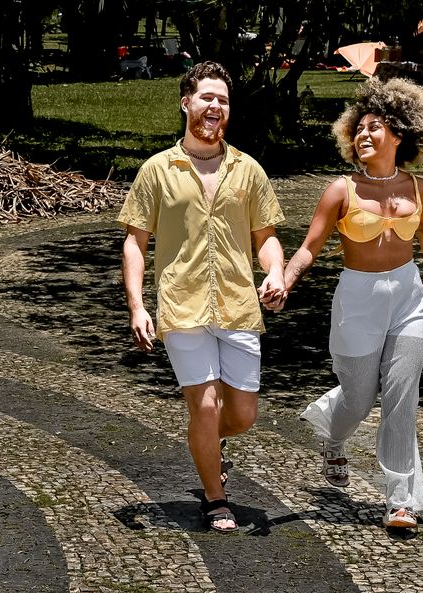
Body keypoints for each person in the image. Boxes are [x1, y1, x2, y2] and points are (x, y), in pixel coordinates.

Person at [275, 77, 423, 532]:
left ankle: (402, 500)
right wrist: (284, 280)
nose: (364, 135)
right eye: (358, 128)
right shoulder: (340, 191)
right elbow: (309, 247)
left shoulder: (420, 190)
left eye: (375, 127)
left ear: (400, 134)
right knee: (358, 395)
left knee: (401, 397)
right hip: (357, 297)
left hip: (407, 296)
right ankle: (333, 438)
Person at [119, 61, 287, 533]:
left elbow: (265, 237)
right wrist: (137, 305)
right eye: (207, 97)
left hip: (238, 304)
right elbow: (135, 243)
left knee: (243, 414)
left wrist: (275, 271)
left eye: (223, 100)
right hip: (182, 304)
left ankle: (208, 443)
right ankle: (215, 498)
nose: (215, 107)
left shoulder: (248, 170)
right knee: (206, 406)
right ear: (186, 102)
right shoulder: (157, 170)